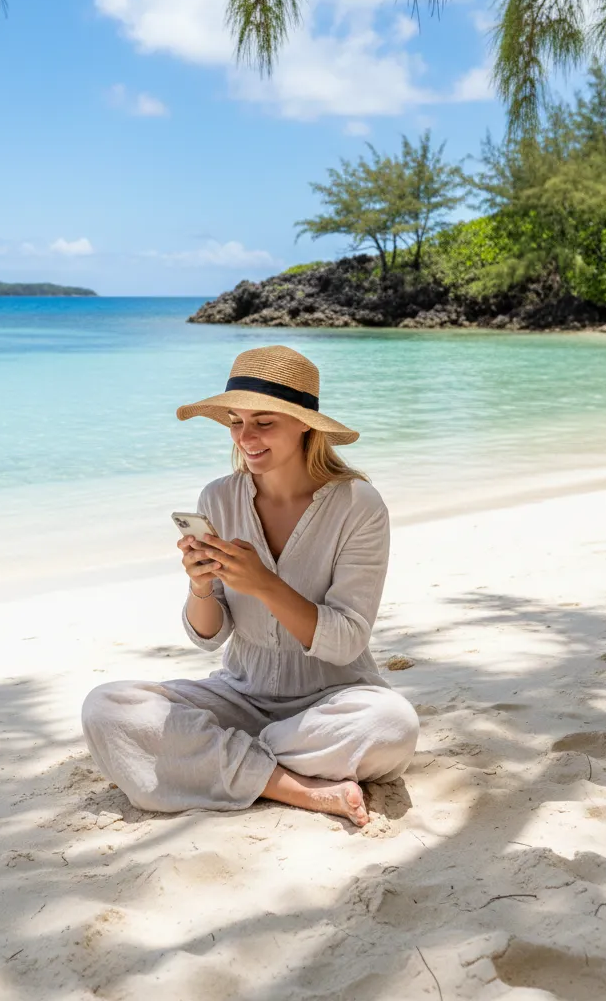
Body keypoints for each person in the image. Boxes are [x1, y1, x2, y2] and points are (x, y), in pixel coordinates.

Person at [82, 345, 419, 827]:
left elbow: (346, 642)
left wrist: (263, 583)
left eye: (264, 422)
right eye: (237, 422)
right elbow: (208, 636)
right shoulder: (219, 497)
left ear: (305, 424)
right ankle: (297, 788)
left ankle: (222, 762)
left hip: (331, 701)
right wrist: (200, 587)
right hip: (240, 694)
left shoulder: (358, 505)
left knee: (393, 726)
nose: (246, 437)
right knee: (107, 708)